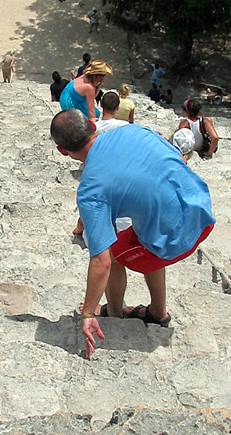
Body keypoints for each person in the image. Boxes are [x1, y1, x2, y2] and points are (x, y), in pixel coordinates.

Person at [50, 109, 215, 357]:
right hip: (201, 208)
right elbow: (179, 159)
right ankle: (157, 312)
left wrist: (88, 313)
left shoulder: (90, 190)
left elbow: (101, 261)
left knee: (115, 252)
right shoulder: (132, 131)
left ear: (62, 151)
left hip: (179, 237)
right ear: (92, 127)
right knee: (140, 232)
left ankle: (115, 314)